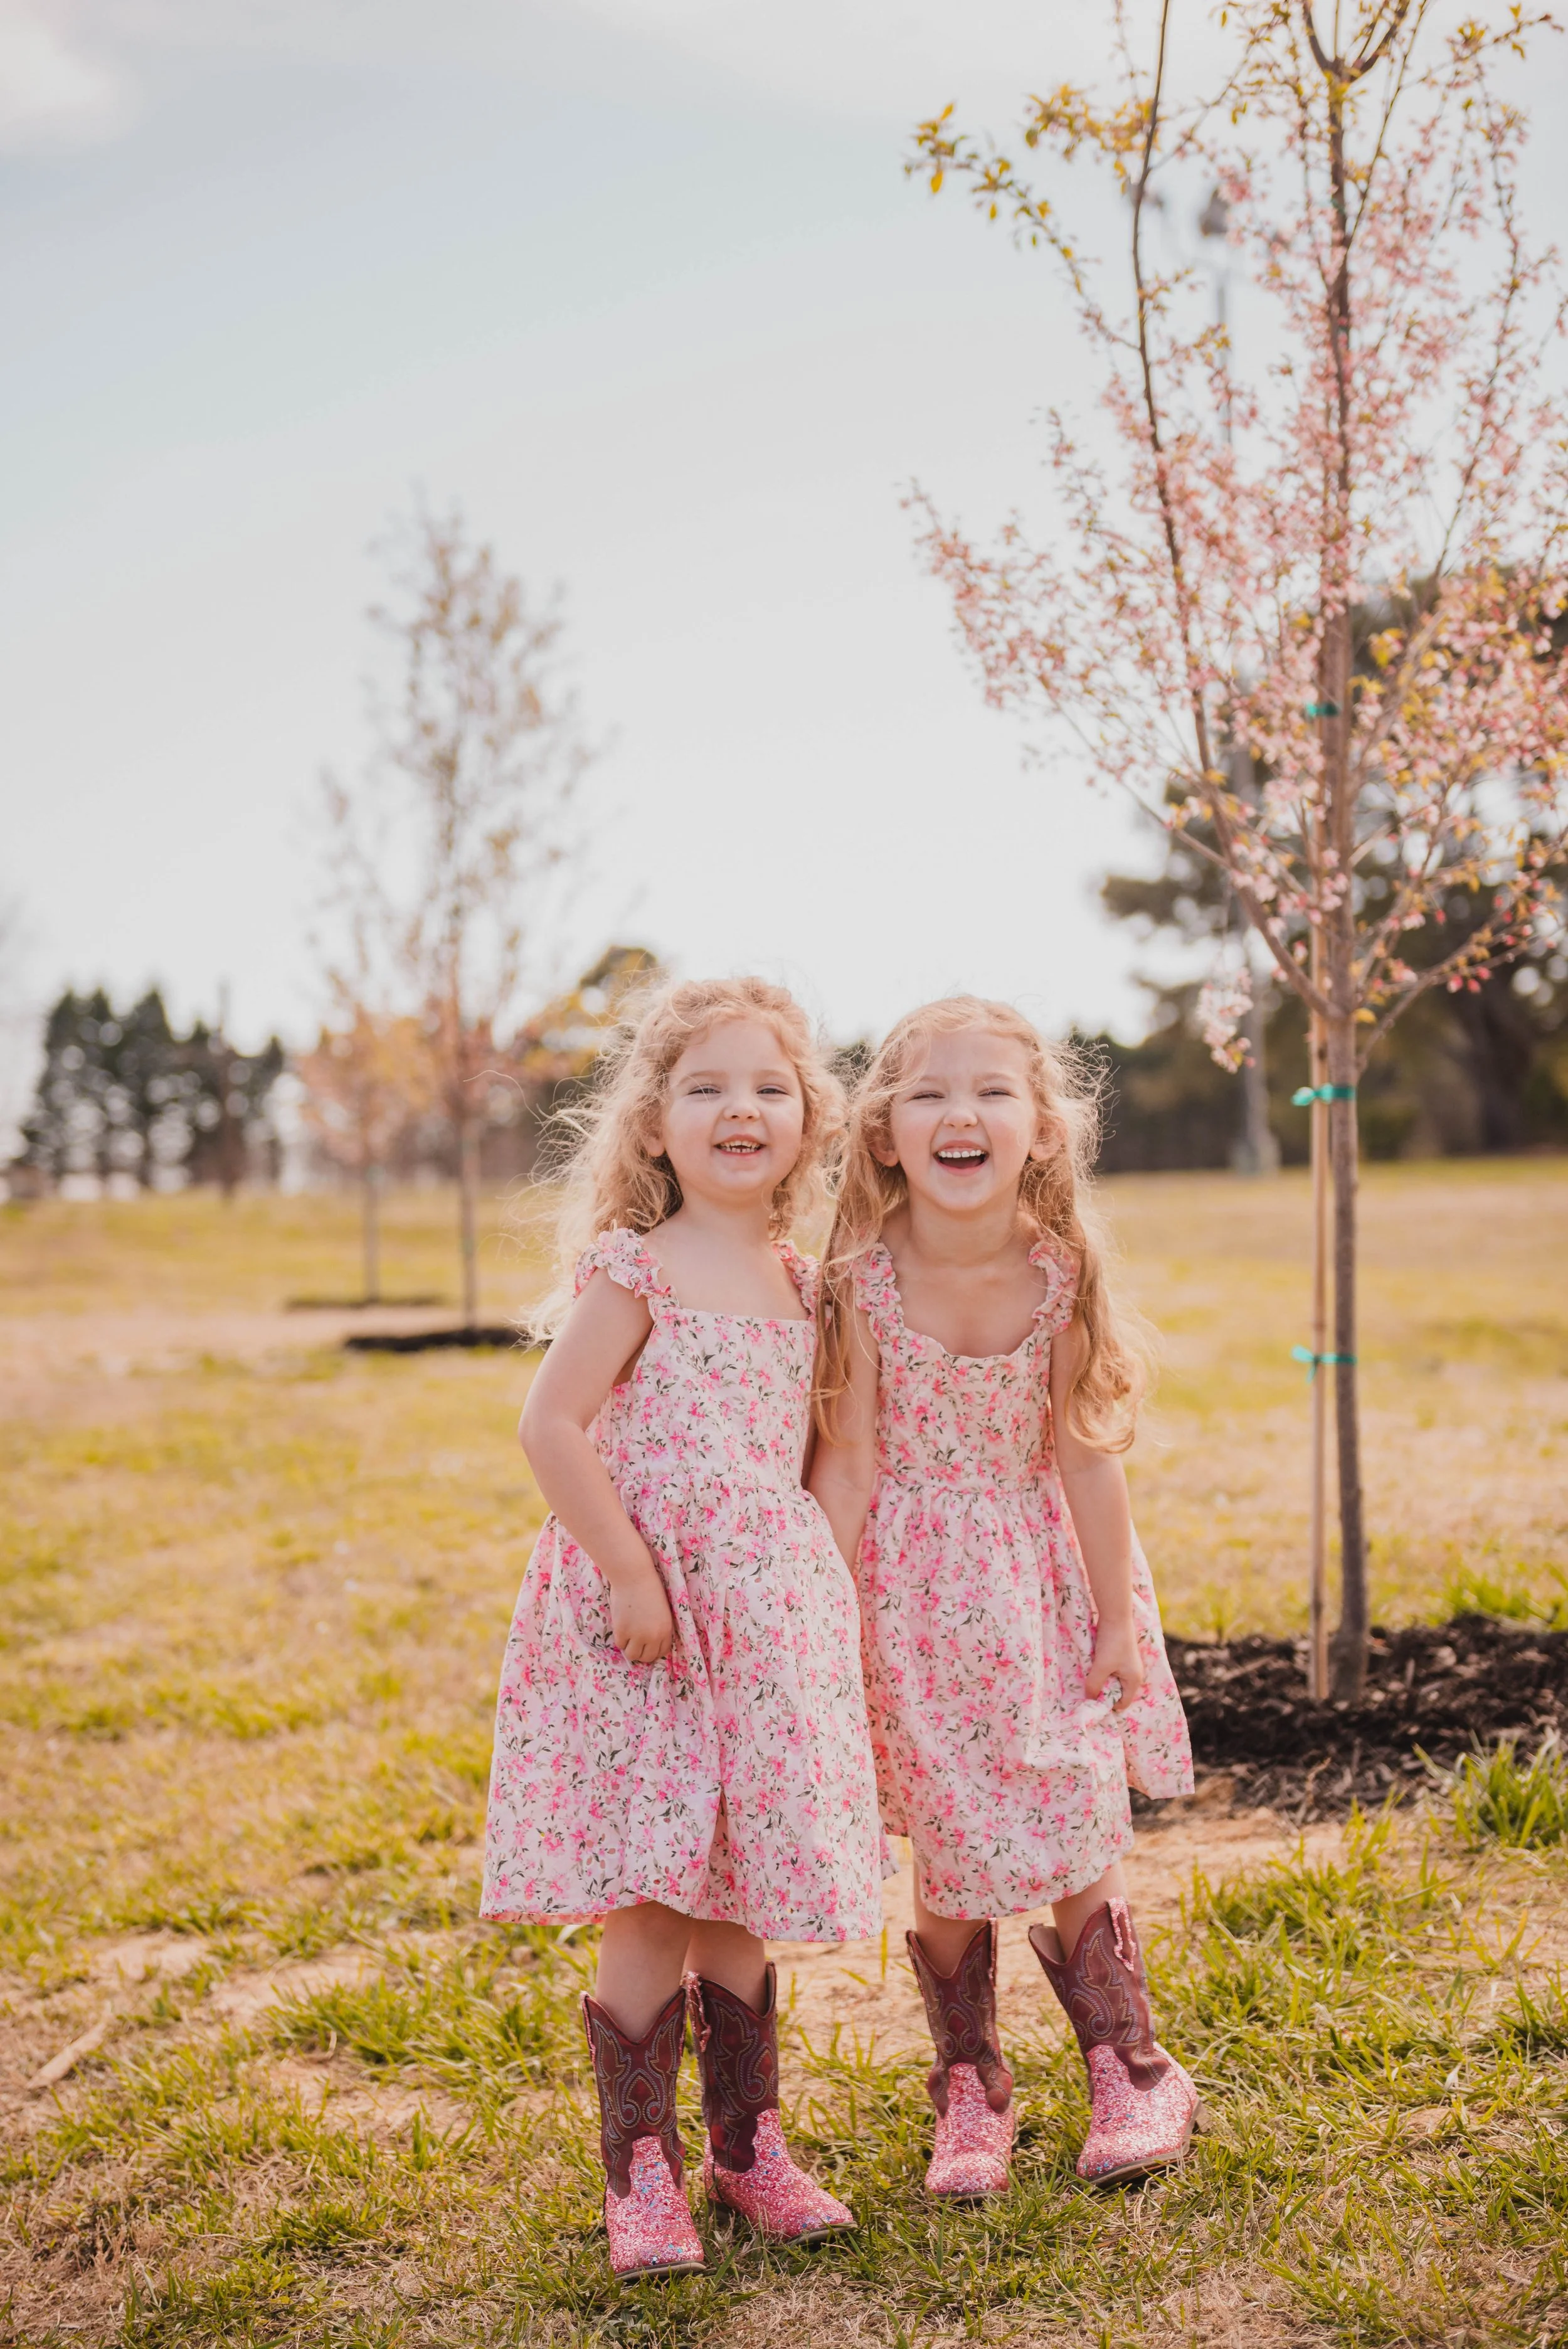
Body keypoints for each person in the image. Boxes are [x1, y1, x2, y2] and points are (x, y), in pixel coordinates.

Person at [482, 977, 884, 2282]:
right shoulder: (636, 1267)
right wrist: (632, 1576)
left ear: (809, 1121)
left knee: (745, 1886)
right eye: (705, 1087)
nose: (739, 1110)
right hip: (645, 1621)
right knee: (654, 1886)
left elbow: (828, 1454)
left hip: (764, 1625)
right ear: (653, 1125)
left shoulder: (803, 1281)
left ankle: (745, 2147)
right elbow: (550, 1425)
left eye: (768, 1087)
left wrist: (810, 1583)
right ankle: (639, 2173)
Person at [809, 997, 1198, 2199]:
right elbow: (852, 1464)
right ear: (883, 1135)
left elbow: (1085, 1454)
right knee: (947, 1835)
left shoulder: (1059, 1274)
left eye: (990, 1093)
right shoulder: (861, 1287)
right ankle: (970, 2087)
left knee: (1077, 1809)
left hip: (1043, 1589)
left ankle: (1129, 2069)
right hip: (910, 1596)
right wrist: (817, 1613)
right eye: (927, 1094)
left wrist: (1119, 1623)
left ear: (1040, 1131)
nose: (959, 1114)